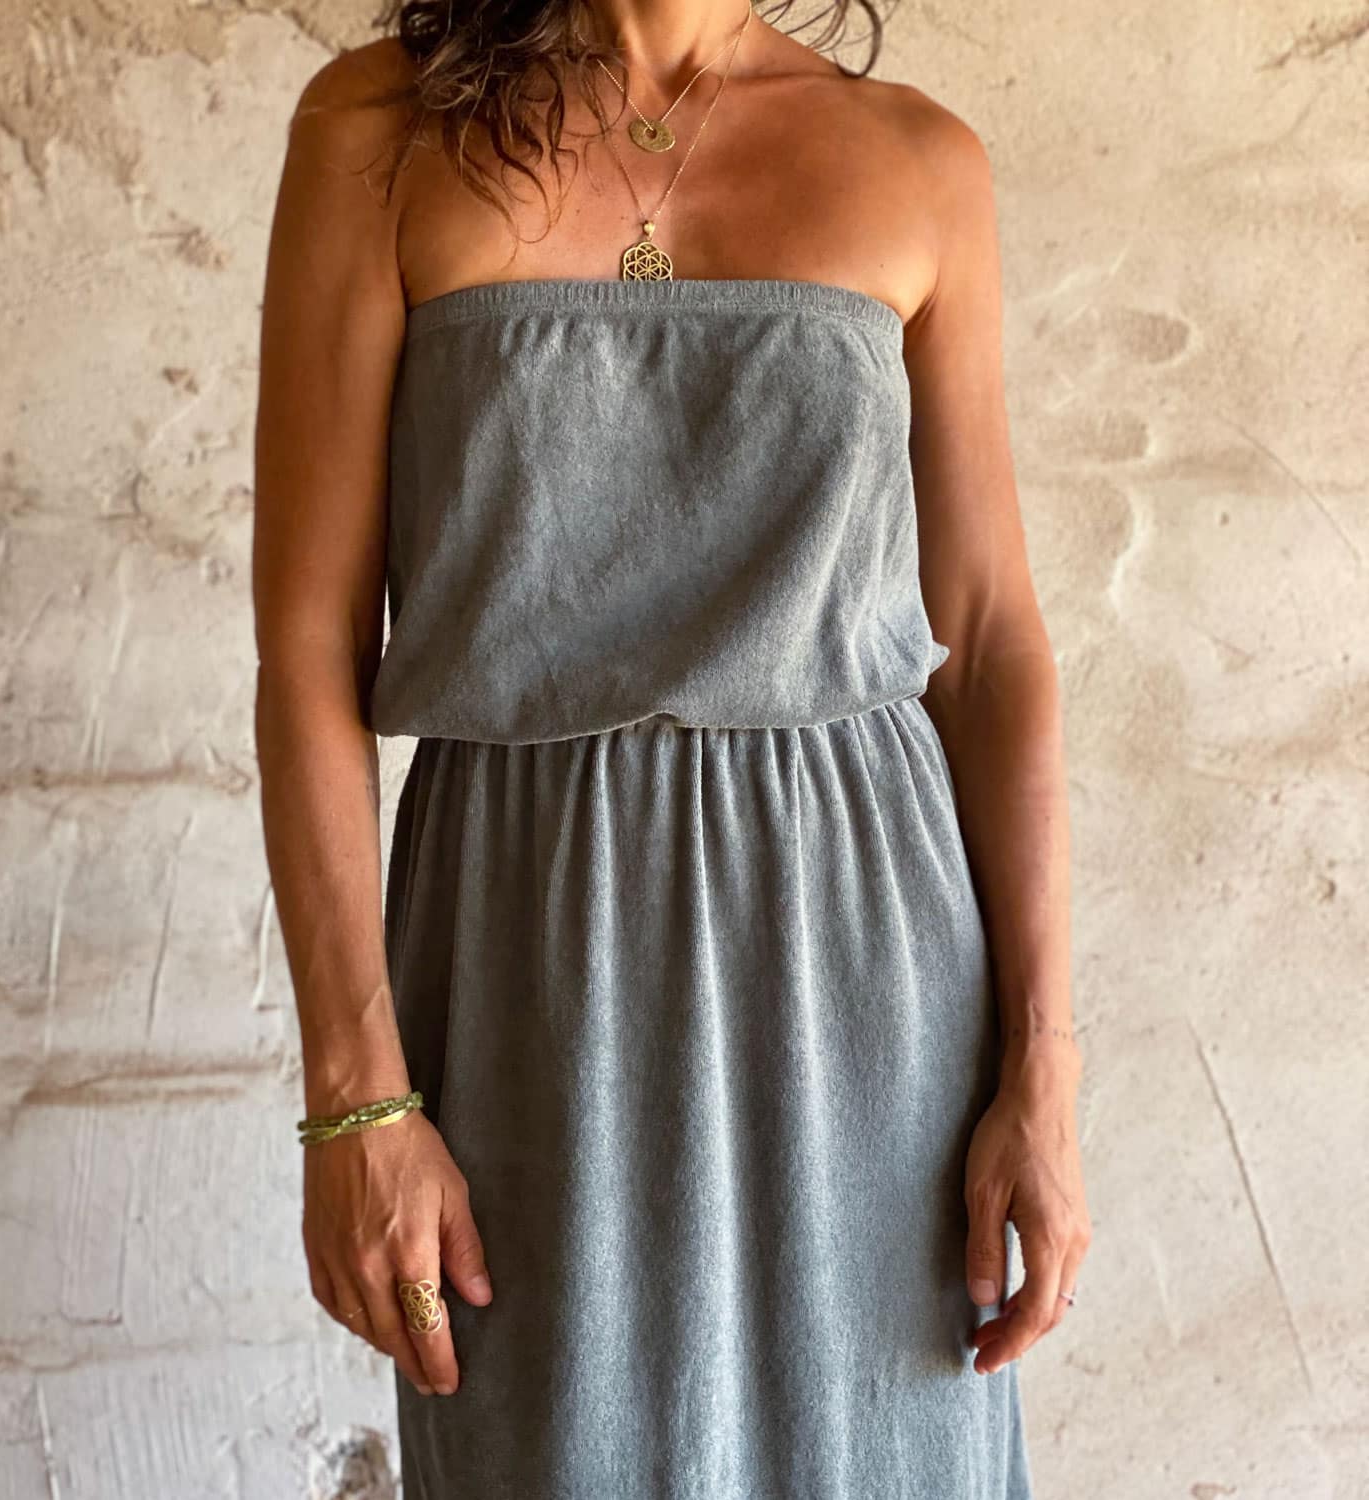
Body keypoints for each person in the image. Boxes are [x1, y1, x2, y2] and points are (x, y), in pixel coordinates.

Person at [252, 0, 1091, 1494]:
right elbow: (310, 650)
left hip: (869, 978)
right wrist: (356, 1095)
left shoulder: (918, 162)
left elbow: (990, 642)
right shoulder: (378, 134)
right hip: (526, 975)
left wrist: (1044, 1063)